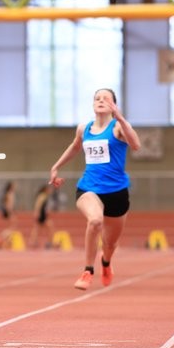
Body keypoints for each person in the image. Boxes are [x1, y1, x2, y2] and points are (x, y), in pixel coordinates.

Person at [49, 88, 141, 290]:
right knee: (95, 220)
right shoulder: (84, 129)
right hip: (89, 188)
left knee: (110, 244)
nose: (101, 100)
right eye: (97, 98)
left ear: (113, 105)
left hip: (117, 193)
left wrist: (120, 117)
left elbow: (136, 145)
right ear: (92, 104)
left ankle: (106, 262)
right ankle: (87, 271)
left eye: (106, 98)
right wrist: (56, 167)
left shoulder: (118, 127)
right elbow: (75, 147)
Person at [28, 184, 54, 249]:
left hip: (43, 214)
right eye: (49, 189)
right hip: (41, 215)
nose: (50, 190)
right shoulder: (42, 196)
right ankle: (48, 242)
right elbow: (38, 204)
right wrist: (37, 213)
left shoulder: (45, 196)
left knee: (38, 228)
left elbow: (44, 206)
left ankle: (33, 241)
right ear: (45, 190)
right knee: (47, 227)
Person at [0, 181, 17, 249]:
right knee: (12, 227)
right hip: (9, 211)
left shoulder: (10, 193)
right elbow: (7, 204)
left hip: (10, 211)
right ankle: (1, 239)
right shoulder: (8, 194)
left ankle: (6, 241)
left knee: (12, 227)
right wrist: (10, 212)